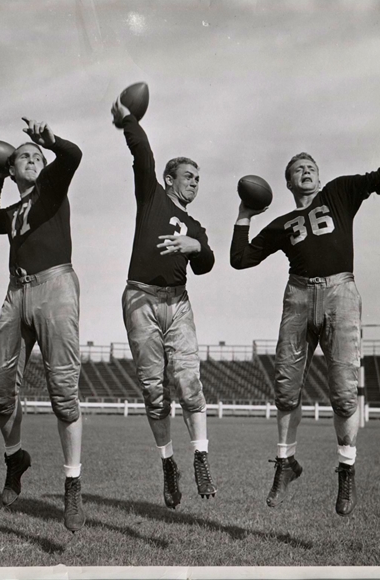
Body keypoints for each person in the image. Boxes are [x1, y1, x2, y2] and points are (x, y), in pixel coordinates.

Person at [230, 140, 380, 515]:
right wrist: (244, 214)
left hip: (340, 292)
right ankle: (285, 463)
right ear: (288, 184)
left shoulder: (338, 193)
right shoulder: (280, 224)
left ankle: (346, 470)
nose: (306, 172)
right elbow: (239, 259)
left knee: (342, 393)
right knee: (286, 389)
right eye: (298, 170)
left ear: (319, 177)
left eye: (311, 167)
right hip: (298, 295)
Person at [0, 117, 85, 532]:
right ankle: (15, 458)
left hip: (55, 285)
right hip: (16, 291)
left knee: (63, 393)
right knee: (0, 391)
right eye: (23, 156)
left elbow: (72, 156)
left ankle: (72, 485)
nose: (32, 159)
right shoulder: (16, 207)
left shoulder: (51, 188)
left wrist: (50, 140)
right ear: (11, 167)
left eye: (37, 157)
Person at [111, 99, 217, 509]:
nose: (194, 182)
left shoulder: (195, 225)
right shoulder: (152, 198)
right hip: (139, 297)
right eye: (188, 176)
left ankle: (201, 458)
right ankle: (169, 464)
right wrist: (129, 120)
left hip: (177, 303)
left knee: (189, 382)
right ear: (170, 179)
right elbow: (143, 154)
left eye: (198, 178)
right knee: (155, 392)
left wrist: (196, 245)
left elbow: (206, 263)